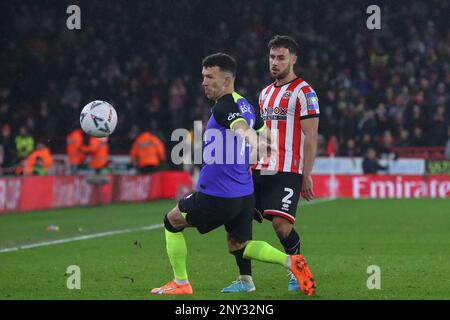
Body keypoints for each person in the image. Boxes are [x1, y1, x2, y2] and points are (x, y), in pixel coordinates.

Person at [150, 53, 315, 296]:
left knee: (171, 221)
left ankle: (181, 282)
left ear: (226, 81)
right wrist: (259, 150)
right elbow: (266, 134)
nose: (204, 82)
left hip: (216, 195)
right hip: (243, 194)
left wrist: (253, 143)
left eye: (209, 77)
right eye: (203, 77)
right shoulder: (246, 103)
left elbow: (242, 129)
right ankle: (289, 262)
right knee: (240, 244)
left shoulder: (224, 107)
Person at [222, 35, 320, 293]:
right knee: (235, 220)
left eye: (281, 58)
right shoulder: (265, 93)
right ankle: (245, 280)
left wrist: (306, 174)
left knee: (281, 226)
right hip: (258, 168)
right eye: (272, 57)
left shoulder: (305, 92)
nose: (275, 63)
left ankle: (295, 270)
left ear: (293, 59)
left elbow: (311, 135)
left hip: (287, 169)